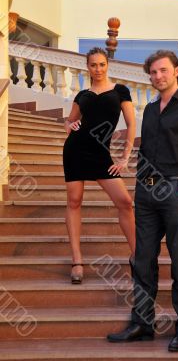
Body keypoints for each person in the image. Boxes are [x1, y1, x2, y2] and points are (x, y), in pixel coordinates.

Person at [107, 50, 178, 352]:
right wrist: (142, 184)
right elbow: (147, 153)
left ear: (177, 71)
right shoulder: (151, 110)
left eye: (163, 70)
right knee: (142, 261)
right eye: (152, 72)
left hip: (176, 191)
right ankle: (142, 323)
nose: (157, 77)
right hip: (148, 193)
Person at [63, 47, 136, 284]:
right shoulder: (82, 95)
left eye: (102, 64)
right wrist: (69, 125)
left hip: (101, 154)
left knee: (125, 202)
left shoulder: (120, 91)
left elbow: (131, 125)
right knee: (74, 202)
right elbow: (70, 120)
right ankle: (77, 261)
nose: (98, 69)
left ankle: (138, 257)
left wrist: (124, 157)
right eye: (93, 65)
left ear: (107, 65)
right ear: (88, 67)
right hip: (76, 150)